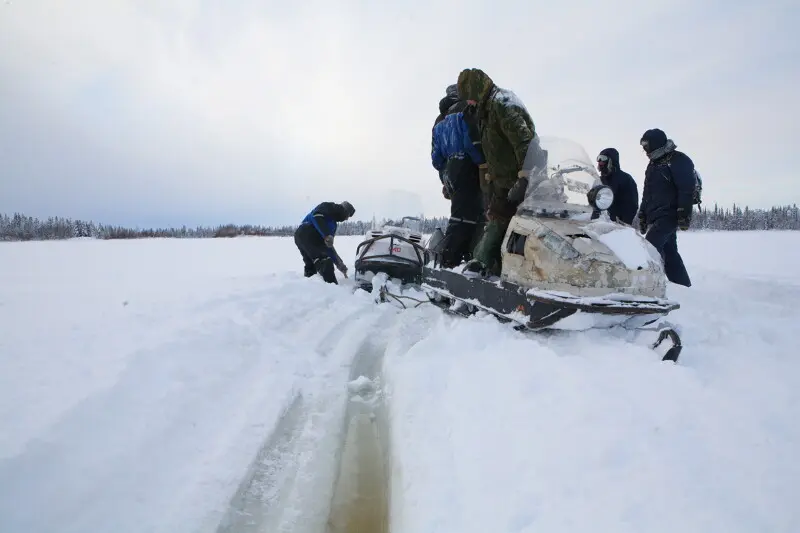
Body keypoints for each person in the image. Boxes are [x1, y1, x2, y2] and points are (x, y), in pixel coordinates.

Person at [455, 67, 537, 276]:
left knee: (525, 226)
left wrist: (526, 176)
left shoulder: (503, 104)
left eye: (470, 97)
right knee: (497, 222)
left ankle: (527, 272)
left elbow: (524, 142)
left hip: (523, 181)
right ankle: (486, 267)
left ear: (478, 90)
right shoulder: (485, 111)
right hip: (502, 183)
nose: (470, 103)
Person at [431, 87, 486, 268]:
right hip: (468, 165)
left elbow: (436, 158)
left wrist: (445, 179)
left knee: (460, 214)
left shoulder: (439, 121)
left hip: (450, 170)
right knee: (475, 215)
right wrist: (482, 164)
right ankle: (454, 260)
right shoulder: (464, 109)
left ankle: (455, 259)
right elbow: (471, 142)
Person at [637, 128, 693, 287]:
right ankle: (683, 286)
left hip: (669, 215)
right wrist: (642, 214)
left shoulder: (678, 160)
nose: (644, 149)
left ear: (655, 143)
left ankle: (645, 287)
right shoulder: (653, 164)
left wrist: (684, 214)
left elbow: (686, 189)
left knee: (648, 249)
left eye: (646, 145)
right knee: (670, 254)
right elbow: (647, 193)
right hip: (656, 215)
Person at [294, 201, 355, 284]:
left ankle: (309, 289)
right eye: (348, 215)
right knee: (324, 261)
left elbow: (328, 246)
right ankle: (333, 290)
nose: (347, 219)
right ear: (344, 211)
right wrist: (326, 235)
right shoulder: (329, 206)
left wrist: (339, 263)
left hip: (304, 238)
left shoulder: (333, 225)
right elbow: (316, 216)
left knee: (311, 265)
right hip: (306, 231)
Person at [588, 147, 639, 225]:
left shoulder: (626, 179)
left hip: (617, 227)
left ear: (611, 161)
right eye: (598, 158)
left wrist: (623, 227)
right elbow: (595, 204)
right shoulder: (599, 180)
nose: (599, 161)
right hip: (599, 224)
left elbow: (631, 206)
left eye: (603, 158)